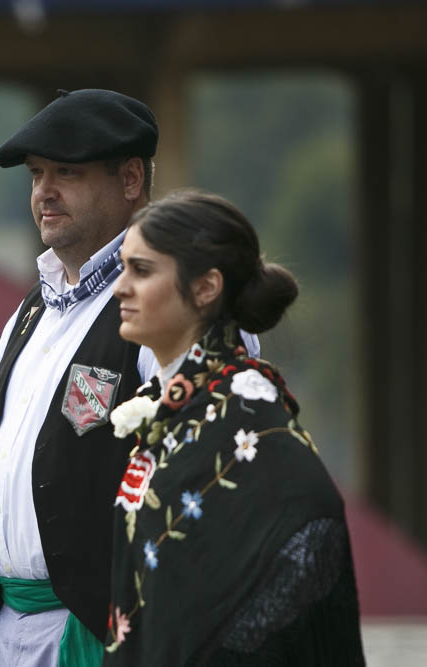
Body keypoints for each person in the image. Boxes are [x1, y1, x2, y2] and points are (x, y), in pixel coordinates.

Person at [0, 88, 239, 667]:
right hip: (8, 627)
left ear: (130, 179)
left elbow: (208, 482)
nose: (44, 191)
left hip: (104, 633)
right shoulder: (28, 314)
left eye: (67, 172)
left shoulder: (166, 310)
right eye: (37, 174)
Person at [103, 190, 364, 666]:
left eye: (140, 270)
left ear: (206, 287)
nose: (120, 287)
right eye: (123, 268)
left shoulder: (247, 413)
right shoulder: (179, 404)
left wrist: (238, 639)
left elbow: (313, 519)